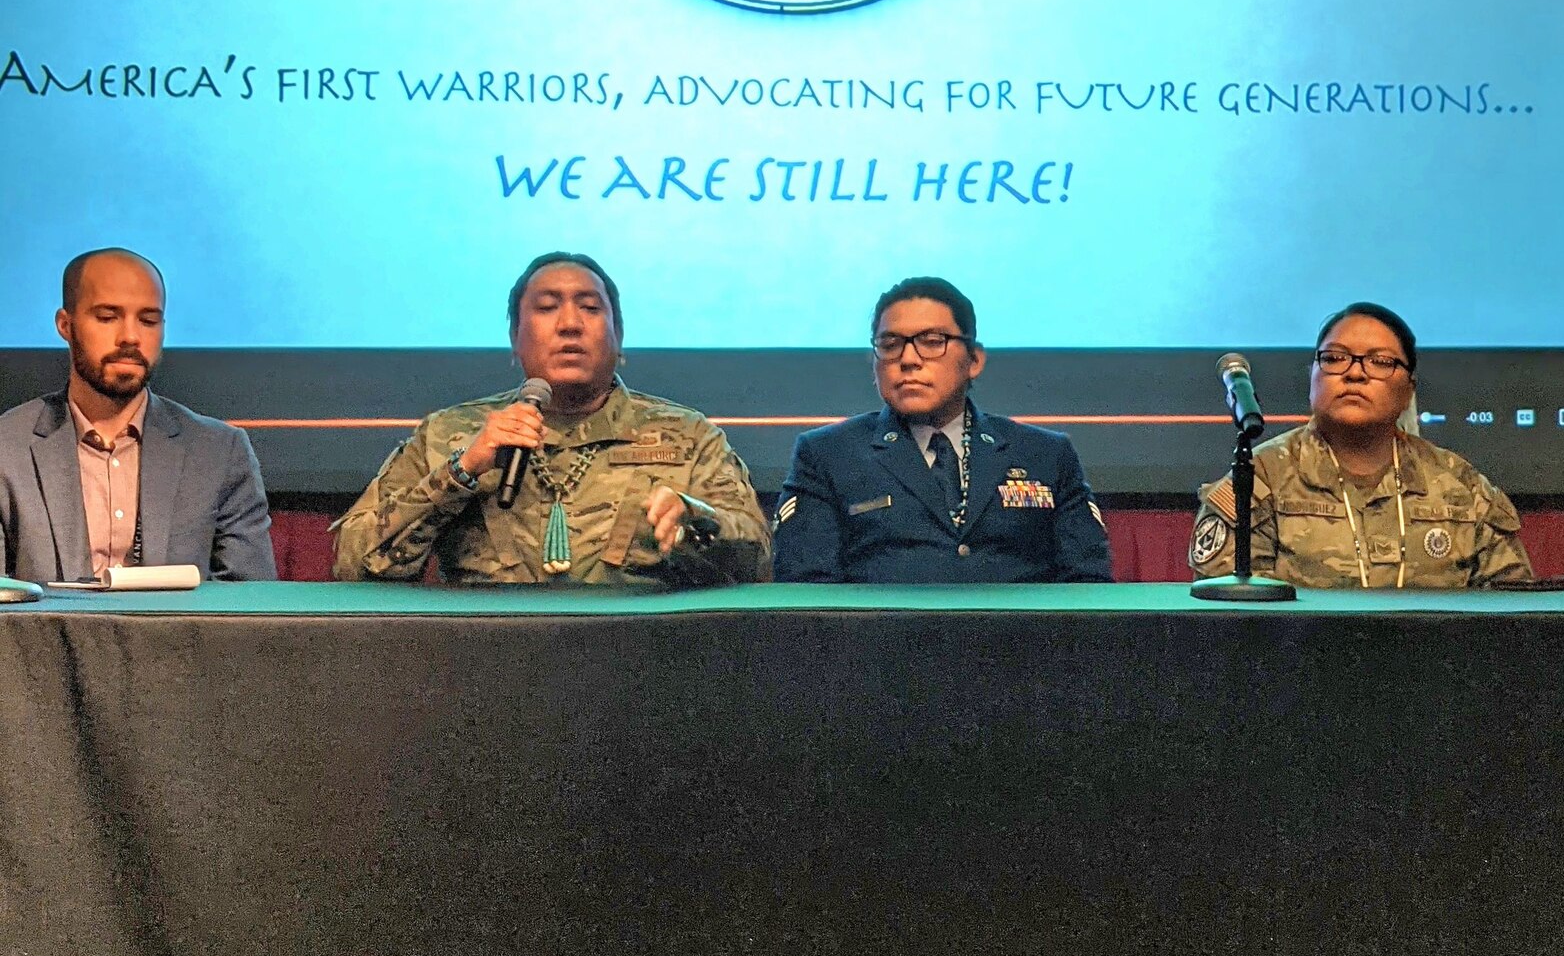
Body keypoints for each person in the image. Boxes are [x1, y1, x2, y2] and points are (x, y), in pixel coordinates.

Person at [334, 252, 769, 586]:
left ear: (619, 337)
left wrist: (695, 523)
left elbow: (760, 564)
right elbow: (353, 565)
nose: (569, 324)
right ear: (514, 340)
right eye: (546, 308)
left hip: (641, 661)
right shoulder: (449, 434)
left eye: (590, 308)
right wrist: (460, 472)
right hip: (483, 662)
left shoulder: (687, 435)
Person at [771, 275, 1112, 583]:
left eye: (932, 341)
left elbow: (1088, 583)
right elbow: (806, 592)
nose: (908, 359)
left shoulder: (1045, 455)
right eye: (890, 344)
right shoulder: (828, 454)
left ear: (974, 361)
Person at [1188, 301, 1533, 588]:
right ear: (1312, 376)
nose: (1355, 373)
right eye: (1335, 358)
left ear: (1409, 388)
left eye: (1380, 362)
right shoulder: (1261, 477)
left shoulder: (1459, 485)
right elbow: (1233, 614)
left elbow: (1511, 610)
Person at [0, 248, 275, 583]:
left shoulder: (220, 452)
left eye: (148, 320)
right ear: (65, 325)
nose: (130, 337)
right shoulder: (7, 449)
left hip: (179, 637)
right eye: (107, 317)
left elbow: (248, 606)